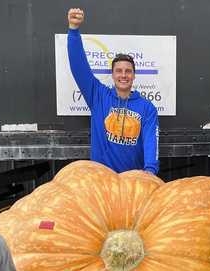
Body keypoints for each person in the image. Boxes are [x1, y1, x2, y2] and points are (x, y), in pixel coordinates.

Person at [67, 7, 159, 174]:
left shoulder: (147, 108)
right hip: (102, 179)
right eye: (119, 71)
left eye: (128, 71)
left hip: (132, 181)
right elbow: (78, 66)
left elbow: (151, 142)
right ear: (112, 74)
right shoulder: (98, 96)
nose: (123, 75)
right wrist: (74, 30)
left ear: (134, 75)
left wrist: (150, 172)